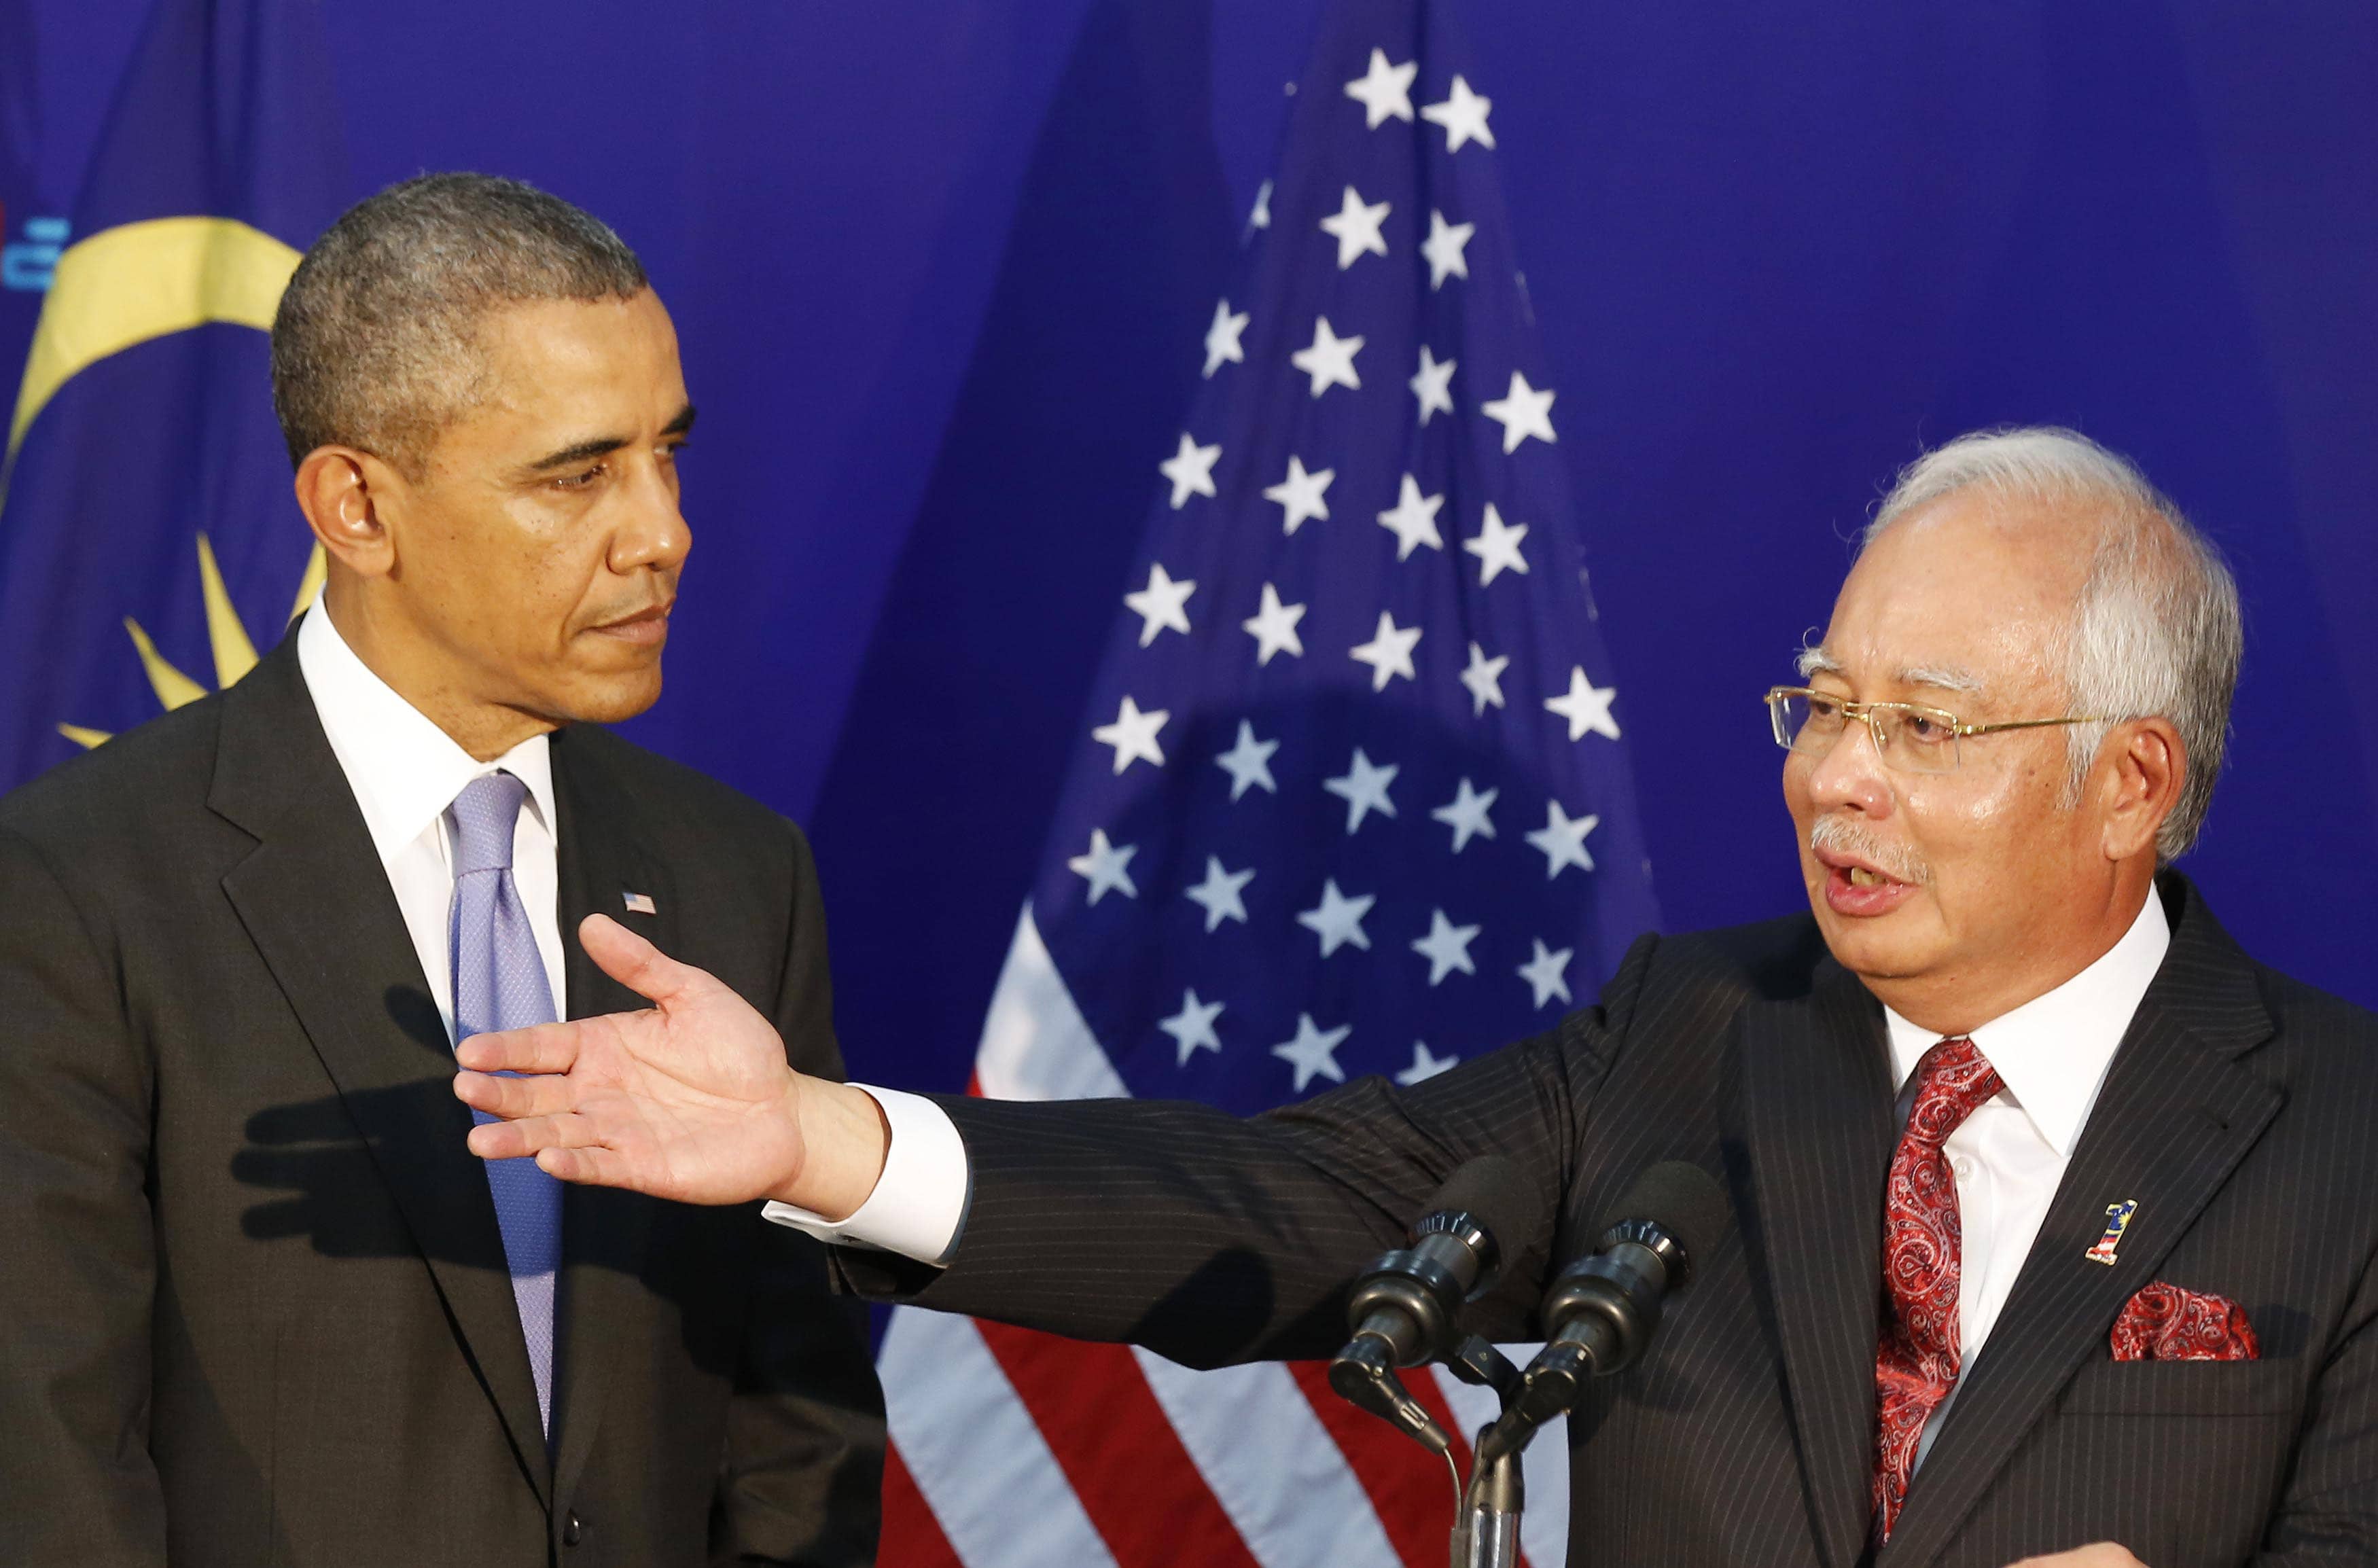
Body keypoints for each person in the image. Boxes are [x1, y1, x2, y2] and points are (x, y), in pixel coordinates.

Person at [455, 429, 2378, 1568]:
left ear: (2129, 780)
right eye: (1824, 702)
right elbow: (1294, 1206)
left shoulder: (2343, 1139)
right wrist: (824, 1136)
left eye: (1922, 727)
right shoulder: (1696, 1038)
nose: (1831, 776)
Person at [0, 174, 882, 1567]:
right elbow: (45, 1468)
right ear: (355, 505)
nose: (663, 531)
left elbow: (792, 1420)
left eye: (669, 453)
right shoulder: (68, 891)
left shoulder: (735, 872)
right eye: (578, 473)